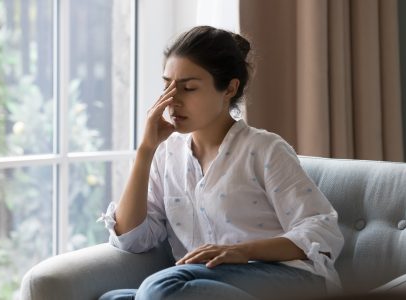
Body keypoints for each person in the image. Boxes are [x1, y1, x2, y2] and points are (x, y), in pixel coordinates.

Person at [97, 25, 344, 300]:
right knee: (113, 299)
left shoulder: (264, 149)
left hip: (287, 278)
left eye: (188, 88)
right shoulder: (166, 155)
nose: (171, 100)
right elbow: (132, 238)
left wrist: (243, 252)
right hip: (207, 283)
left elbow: (322, 230)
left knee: (162, 289)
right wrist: (145, 150)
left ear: (229, 88)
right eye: (167, 86)